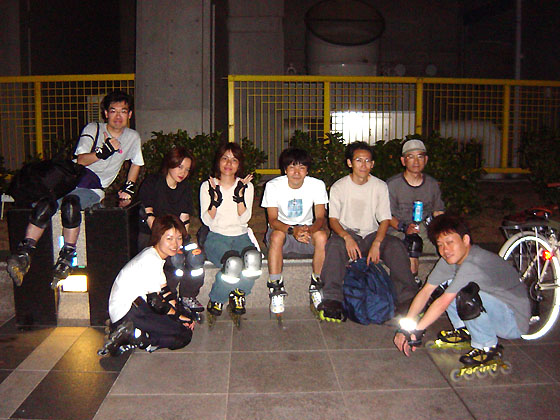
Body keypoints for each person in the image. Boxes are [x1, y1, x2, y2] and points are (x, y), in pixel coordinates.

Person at [7, 90, 144, 288]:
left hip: (93, 188)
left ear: (129, 114)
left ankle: (66, 257)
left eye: (123, 111)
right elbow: (81, 159)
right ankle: (24, 254)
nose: (118, 116)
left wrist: (129, 187)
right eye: (113, 111)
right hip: (69, 181)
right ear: (106, 113)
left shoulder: (132, 137)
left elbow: (136, 162)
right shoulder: (93, 128)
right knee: (46, 205)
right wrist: (103, 152)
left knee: (71, 204)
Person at [393, 214, 530, 366]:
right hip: (494, 310)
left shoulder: (474, 263)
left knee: (464, 293)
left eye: (450, 242)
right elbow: (426, 292)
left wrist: (417, 331)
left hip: (512, 322)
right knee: (444, 287)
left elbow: (443, 303)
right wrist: (406, 328)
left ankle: (487, 346)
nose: (445, 249)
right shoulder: (449, 260)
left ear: (465, 240)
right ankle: (464, 329)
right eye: (440, 244)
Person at [319, 141, 418, 322]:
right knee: (334, 246)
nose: (363, 165)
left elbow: (384, 219)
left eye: (367, 161)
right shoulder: (339, 187)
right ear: (350, 163)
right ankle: (332, 300)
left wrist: (377, 243)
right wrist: (347, 237)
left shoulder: (379, 186)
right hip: (347, 233)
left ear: (372, 164)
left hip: (372, 234)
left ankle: (407, 299)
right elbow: (333, 220)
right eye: (358, 160)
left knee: (395, 246)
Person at [99, 215, 195, 356]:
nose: (175, 244)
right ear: (158, 237)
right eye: (169, 238)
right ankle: (135, 338)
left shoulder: (153, 255)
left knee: (179, 326)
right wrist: (178, 317)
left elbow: (165, 292)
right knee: (183, 335)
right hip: (129, 312)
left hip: (134, 308)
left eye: (179, 238)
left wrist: (181, 314)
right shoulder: (150, 260)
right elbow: (156, 303)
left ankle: (129, 332)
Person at [261, 148, 328, 316]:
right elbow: (273, 220)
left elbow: (320, 217)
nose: (297, 172)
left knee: (321, 236)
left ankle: (317, 283)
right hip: (283, 232)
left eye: (302, 167)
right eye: (292, 167)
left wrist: (309, 231)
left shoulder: (317, 185)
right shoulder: (273, 186)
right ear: (285, 169)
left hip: (306, 231)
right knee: (277, 235)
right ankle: (276, 286)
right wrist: (293, 230)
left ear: (307, 170)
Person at [137, 146, 204, 313]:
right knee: (174, 259)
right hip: (152, 235)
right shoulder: (153, 182)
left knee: (196, 256)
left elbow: (184, 219)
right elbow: (149, 215)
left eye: (187, 169)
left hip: (176, 236)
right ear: (170, 163)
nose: (183, 173)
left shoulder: (184, 187)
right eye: (180, 167)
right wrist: (171, 242)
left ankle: (188, 295)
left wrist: (181, 241)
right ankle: (169, 297)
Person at [200, 142, 261, 320]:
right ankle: (217, 298)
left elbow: (244, 219)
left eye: (234, 160)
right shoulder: (208, 185)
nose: (229, 163)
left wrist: (239, 197)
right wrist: (215, 201)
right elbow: (207, 221)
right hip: (216, 237)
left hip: (240, 237)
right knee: (233, 263)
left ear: (239, 164)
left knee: (253, 259)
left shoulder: (246, 186)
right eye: (225, 158)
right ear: (218, 161)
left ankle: (239, 293)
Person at [387, 139, 445, 281]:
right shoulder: (392, 185)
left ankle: (448, 282)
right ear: (403, 161)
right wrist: (404, 228)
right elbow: (386, 216)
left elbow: (438, 212)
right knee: (412, 244)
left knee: (450, 245)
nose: (416, 161)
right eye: (411, 157)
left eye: (420, 156)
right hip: (398, 230)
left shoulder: (432, 184)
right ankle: (413, 281)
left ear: (426, 159)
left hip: (424, 230)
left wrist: (445, 232)